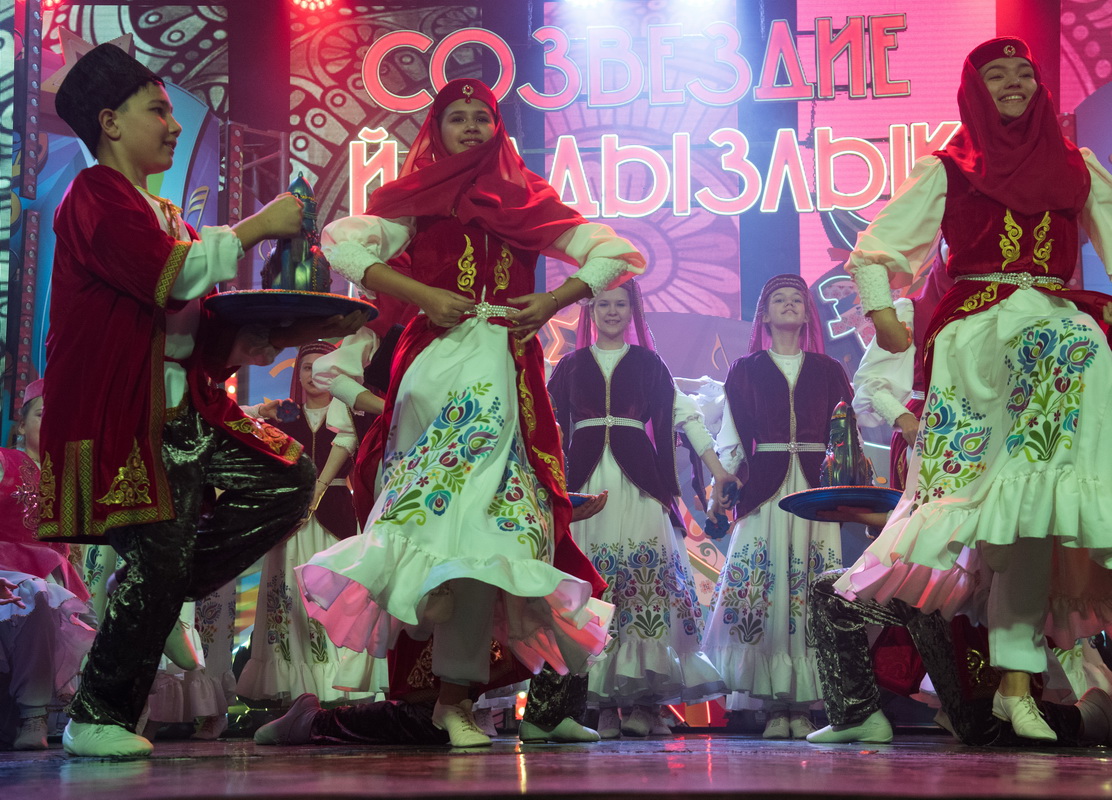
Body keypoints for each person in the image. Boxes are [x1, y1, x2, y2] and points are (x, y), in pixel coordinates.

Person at [296, 78, 644, 748]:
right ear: (435, 130)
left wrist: (554, 300)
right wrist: (421, 294)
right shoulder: (417, 200)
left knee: (490, 535)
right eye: (456, 117)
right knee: (437, 523)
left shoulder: (528, 199)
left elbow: (618, 253)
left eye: (482, 117)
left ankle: (457, 699)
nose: (470, 127)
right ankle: (425, 684)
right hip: (436, 370)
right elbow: (341, 242)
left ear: (499, 128)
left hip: (504, 369)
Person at [43, 43, 362, 757]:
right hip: (128, 418)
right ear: (110, 122)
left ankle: (158, 584)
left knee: (288, 478)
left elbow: (204, 329)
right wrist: (257, 227)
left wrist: (290, 332)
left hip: (189, 413)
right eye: (158, 110)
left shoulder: (168, 214)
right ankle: (95, 713)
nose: (174, 124)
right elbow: (166, 277)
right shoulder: (93, 196)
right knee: (159, 558)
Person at [834, 36, 1112, 743]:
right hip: (980, 340)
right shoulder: (948, 167)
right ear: (973, 90)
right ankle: (1009, 684)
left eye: (1024, 73)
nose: (1013, 83)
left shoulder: (1077, 167)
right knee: (999, 515)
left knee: (1035, 513)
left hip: (1055, 334)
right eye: (997, 75)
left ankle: (1017, 687)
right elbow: (875, 251)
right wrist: (885, 316)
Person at [546, 278, 728, 737]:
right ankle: (603, 704)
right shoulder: (569, 366)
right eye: (603, 304)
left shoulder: (649, 364)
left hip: (640, 486)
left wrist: (718, 470)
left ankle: (646, 703)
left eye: (620, 305)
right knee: (595, 581)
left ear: (632, 312)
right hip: (587, 487)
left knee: (645, 582)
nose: (612, 312)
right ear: (591, 311)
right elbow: (545, 424)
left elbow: (685, 417)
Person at [702, 273, 853, 739]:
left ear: (807, 314)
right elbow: (730, 437)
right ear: (764, 316)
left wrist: (847, 490)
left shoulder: (829, 370)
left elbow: (845, 437)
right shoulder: (745, 370)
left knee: (810, 586)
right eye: (778, 300)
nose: (789, 305)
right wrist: (721, 485)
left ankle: (803, 705)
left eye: (797, 300)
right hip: (764, 489)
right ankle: (772, 705)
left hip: (813, 492)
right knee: (764, 588)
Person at [238, 342, 383, 703]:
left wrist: (317, 488)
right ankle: (298, 689)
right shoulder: (285, 415)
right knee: (287, 594)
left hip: (336, 515)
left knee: (337, 595)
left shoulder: (350, 413)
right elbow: (231, 418)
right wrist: (261, 410)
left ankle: (338, 686)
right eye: (305, 367)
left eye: (321, 367)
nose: (313, 374)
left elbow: (353, 446)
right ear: (297, 374)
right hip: (290, 518)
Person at [0, 382, 95, 750]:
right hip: (7, 569)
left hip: (56, 577)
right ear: (22, 424)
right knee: (36, 595)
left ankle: (48, 715)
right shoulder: (5, 461)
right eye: (42, 415)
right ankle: (32, 714)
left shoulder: (71, 478)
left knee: (89, 622)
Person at [851, 241, 953, 490]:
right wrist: (903, 417)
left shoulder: (1003, 311)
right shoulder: (911, 312)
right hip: (922, 434)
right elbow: (870, 384)